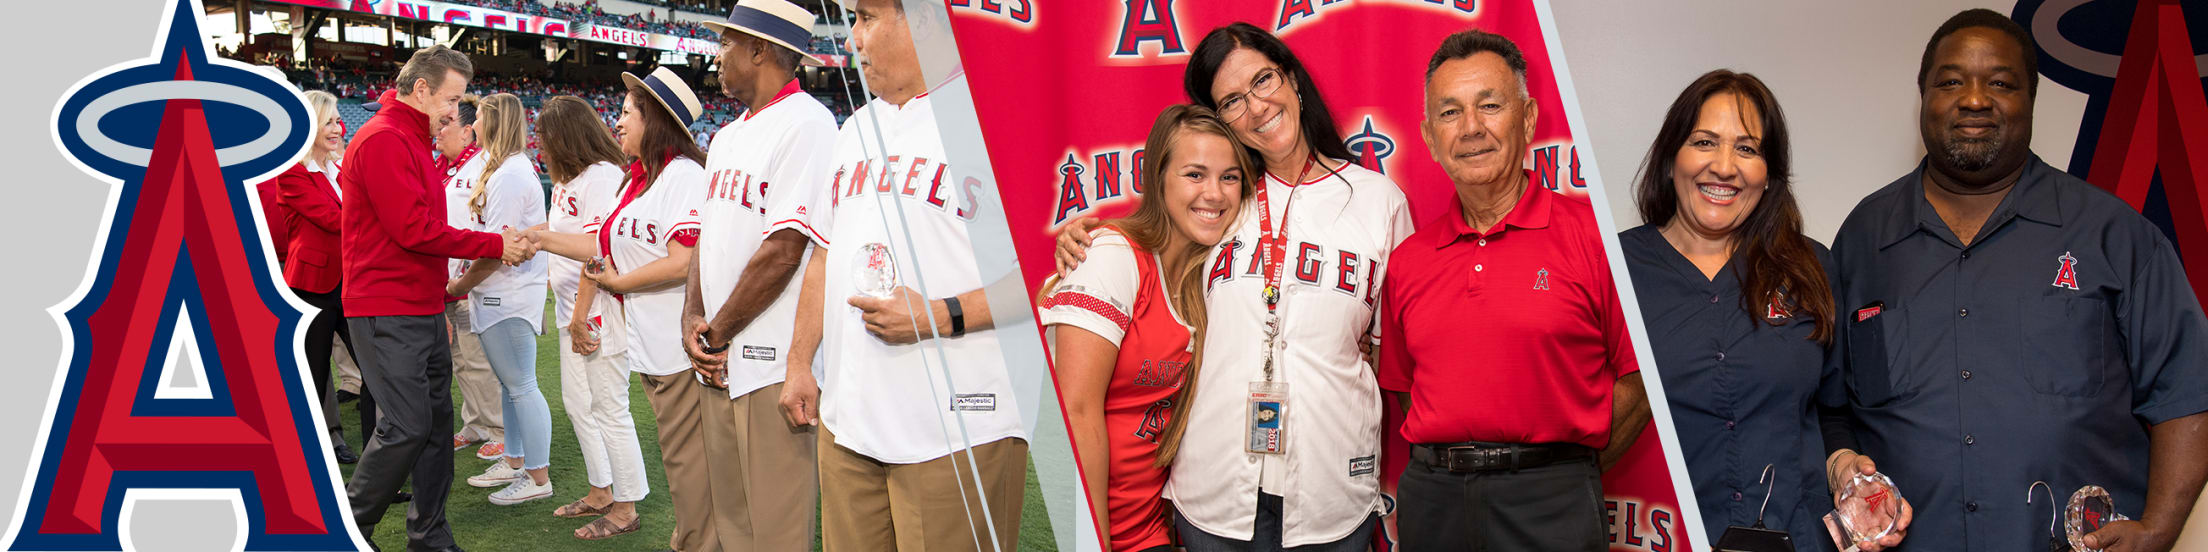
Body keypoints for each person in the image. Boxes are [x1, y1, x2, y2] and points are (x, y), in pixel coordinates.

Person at [1826, 9, 2208, 551]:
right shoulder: (1865, 237)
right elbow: (1830, 403)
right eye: (1951, 81)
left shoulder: (2114, 235)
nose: (1975, 99)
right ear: (1924, 95)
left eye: (2000, 83)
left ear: (2030, 97)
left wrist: (2160, 528)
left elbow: (2187, 391)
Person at [1058, 21, 1411, 551]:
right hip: (1214, 490)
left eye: (1264, 80)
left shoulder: (1379, 200)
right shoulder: (1222, 199)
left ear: (1292, 79)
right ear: (1219, 118)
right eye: (1231, 101)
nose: (1256, 106)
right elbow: (1147, 242)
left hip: (1332, 493)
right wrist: (1082, 235)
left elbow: (1394, 356)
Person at [1375, 30, 1647, 551]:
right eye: (1450, 113)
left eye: (1490, 105)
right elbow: (1407, 391)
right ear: (1430, 138)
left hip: (1553, 503)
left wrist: (1561, 468)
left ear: (1526, 118)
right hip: (1433, 502)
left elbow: (1639, 381)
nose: (1471, 128)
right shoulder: (1407, 261)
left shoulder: (1593, 239)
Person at [1618, 69, 1908, 551]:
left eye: (1747, 149)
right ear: (1671, 157)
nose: (1725, 167)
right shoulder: (1615, 269)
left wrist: (1845, 469)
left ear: (1769, 174)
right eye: (1705, 142)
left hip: (1799, 537)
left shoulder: (1811, 266)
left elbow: (1833, 412)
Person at [782, 0, 1028, 548]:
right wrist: (800, 361)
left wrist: (942, 314)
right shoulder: (856, 126)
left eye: (866, 18)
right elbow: (823, 255)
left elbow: (1051, 279)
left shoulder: (1001, 116)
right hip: (848, 424)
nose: (854, 40)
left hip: (959, 429)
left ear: (923, 20)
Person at [339, 44, 535, 552]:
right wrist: (495, 245)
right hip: (385, 306)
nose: (456, 110)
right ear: (421, 89)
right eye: (451, 99)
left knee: (431, 428)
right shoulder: (383, 138)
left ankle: (428, 535)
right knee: (406, 426)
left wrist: (435, 303)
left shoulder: (404, 137)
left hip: (415, 305)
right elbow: (413, 230)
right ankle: (342, 529)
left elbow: (418, 232)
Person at [1040, 104, 1256, 552]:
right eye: (1195, 175)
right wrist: (1090, 541)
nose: (1214, 194)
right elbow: (1074, 413)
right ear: (1158, 178)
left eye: (1230, 177)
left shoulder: (1206, 275)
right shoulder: (1112, 256)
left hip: (1147, 531)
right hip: (1084, 529)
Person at [532, 66, 713, 552]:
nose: (618, 121)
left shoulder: (682, 175)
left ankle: (674, 528)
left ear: (654, 120)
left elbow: (682, 260)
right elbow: (606, 250)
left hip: (677, 341)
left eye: (629, 112)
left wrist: (612, 285)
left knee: (685, 451)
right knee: (674, 451)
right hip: (648, 336)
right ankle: (689, 531)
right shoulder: (639, 179)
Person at [680, 1, 833, 549]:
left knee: (777, 531)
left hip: (770, 363)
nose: (717, 55)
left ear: (760, 49)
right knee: (734, 526)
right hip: (718, 356)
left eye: (726, 43)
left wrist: (714, 331)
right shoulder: (726, 136)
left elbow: (785, 250)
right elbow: (705, 236)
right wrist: (693, 314)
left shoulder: (809, 124)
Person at [535, 95, 650, 540]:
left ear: (566, 137)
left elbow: (597, 249)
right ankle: (602, 491)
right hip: (573, 310)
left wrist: (582, 311)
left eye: (546, 138)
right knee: (580, 406)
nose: (541, 146)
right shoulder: (571, 179)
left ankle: (626, 507)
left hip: (598, 309)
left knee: (608, 408)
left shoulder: (601, 177)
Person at [444, 93, 556, 506]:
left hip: (505, 295)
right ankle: (514, 460)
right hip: (499, 293)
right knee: (512, 387)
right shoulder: (505, 168)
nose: (473, 126)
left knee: (522, 385)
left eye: (482, 119)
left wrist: (457, 286)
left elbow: (497, 248)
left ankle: (537, 476)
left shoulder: (509, 174)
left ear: (494, 123)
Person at [273, 89, 360, 465]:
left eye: (338, 118)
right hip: (312, 288)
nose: (338, 126)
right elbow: (332, 219)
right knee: (313, 372)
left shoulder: (339, 168)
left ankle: (376, 452)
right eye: (328, 120)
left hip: (351, 283)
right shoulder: (292, 171)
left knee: (370, 364)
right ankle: (309, 450)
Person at [433, 95, 509, 462]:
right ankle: (475, 420)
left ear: (467, 132)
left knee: (478, 357)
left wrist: (468, 272)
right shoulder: (441, 167)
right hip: (443, 278)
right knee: (459, 358)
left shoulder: (482, 166)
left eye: (445, 124)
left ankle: (498, 428)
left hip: (469, 278)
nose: (438, 130)